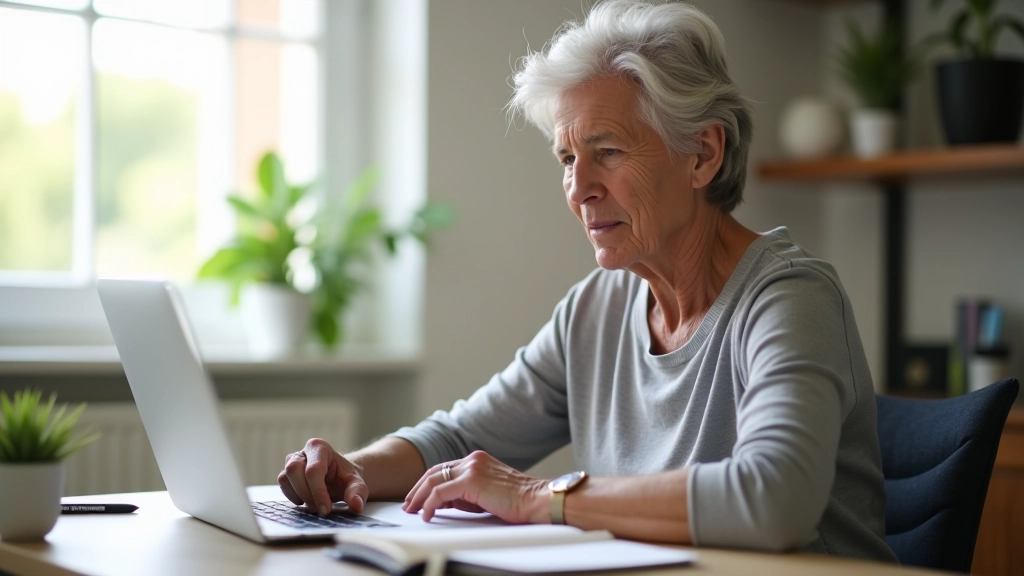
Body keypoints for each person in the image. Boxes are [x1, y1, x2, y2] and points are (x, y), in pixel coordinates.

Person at [278, 0, 897, 562]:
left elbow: (774, 501)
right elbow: (459, 439)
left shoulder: (789, 298)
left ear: (703, 154)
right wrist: (349, 469)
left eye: (608, 152)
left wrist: (539, 495)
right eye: (567, 158)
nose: (579, 190)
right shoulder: (595, 310)